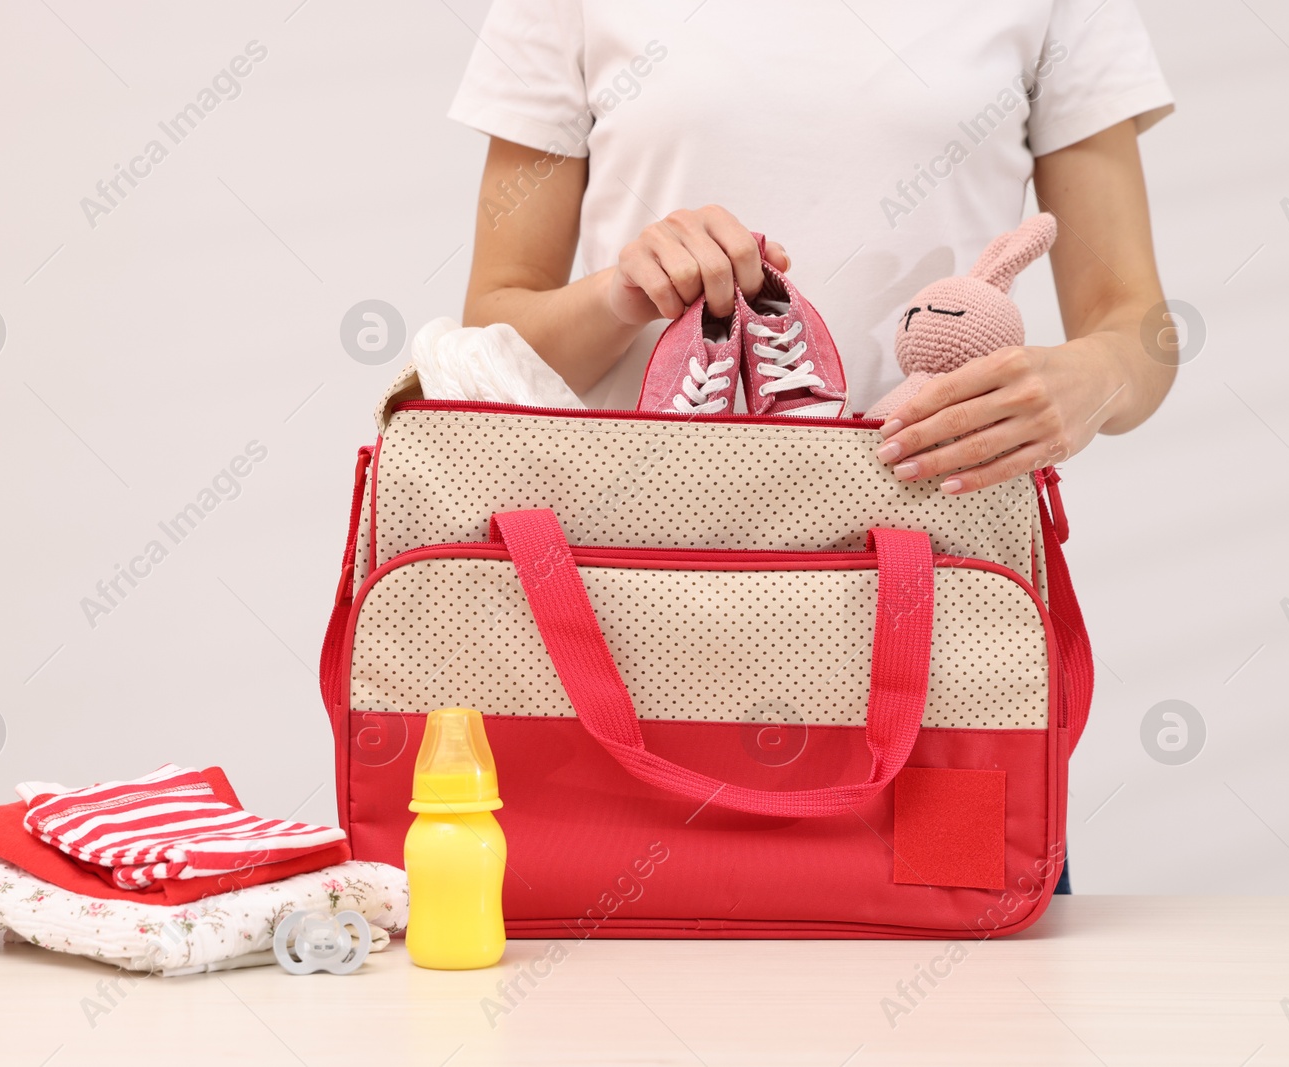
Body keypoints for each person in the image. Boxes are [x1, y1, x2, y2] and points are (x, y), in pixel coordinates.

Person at [448, 0, 1179, 894]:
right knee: (609, 977)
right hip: (634, 607)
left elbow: (1133, 322)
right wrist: (618, 294)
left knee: (969, 975)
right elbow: (491, 332)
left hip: (936, 583)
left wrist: (1094, 371)